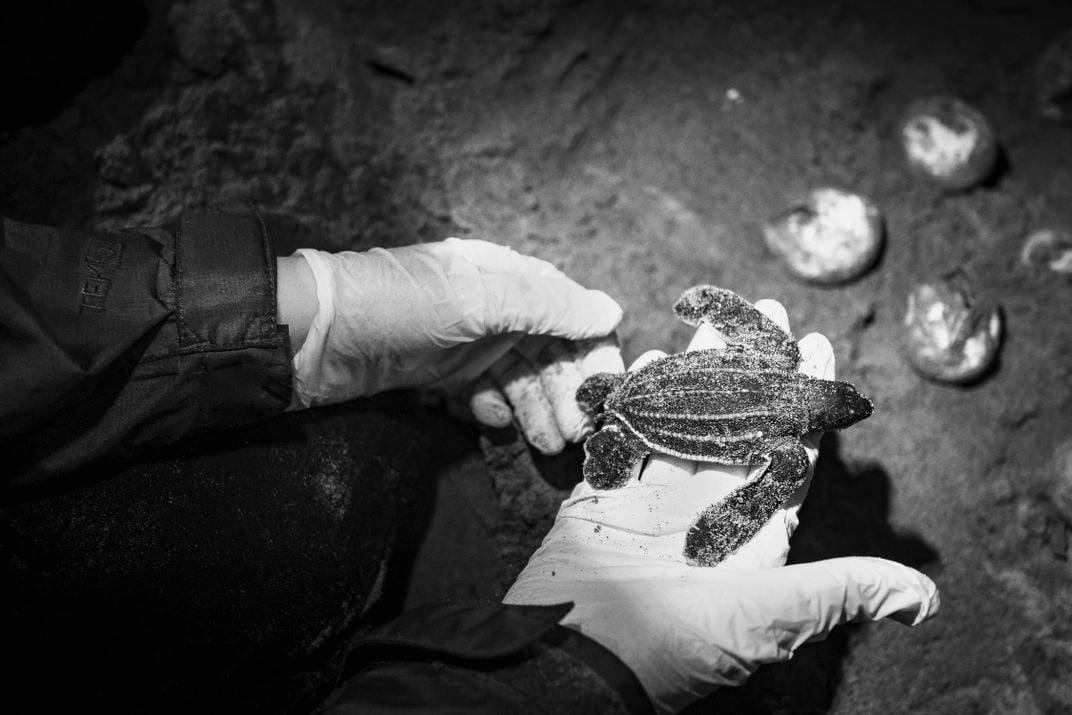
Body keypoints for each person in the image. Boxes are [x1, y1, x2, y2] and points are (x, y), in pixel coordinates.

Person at [0, 211, 939, 713]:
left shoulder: (763, 365)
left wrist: (280, 313)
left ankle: (586, 471)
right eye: (841, 411)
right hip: (652, 427)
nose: (841, 408)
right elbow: (763, 470)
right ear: (818, 410)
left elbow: (732, 322)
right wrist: (554, 687)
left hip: (649, 421)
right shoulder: (779, 441)